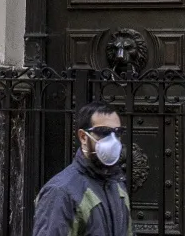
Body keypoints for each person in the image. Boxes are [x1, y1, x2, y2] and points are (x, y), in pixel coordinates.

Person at [32, 101, 131, 236]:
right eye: (104, 132)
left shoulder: (116, 184)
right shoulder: (61, 192)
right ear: (83, 137)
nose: (113, 141)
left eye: (117, 133)